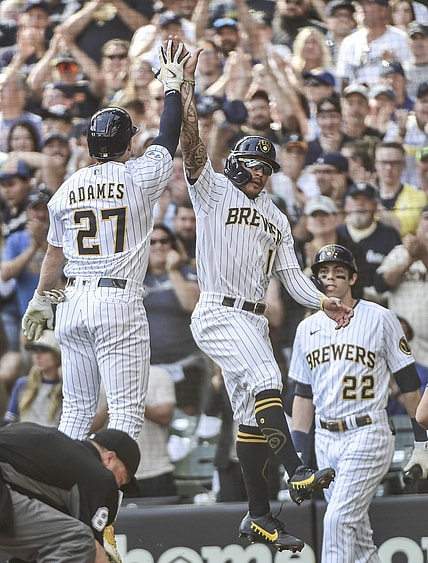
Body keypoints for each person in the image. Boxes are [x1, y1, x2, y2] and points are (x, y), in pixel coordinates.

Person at [178, 45, 354, 553]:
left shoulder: (275, 215)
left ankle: (258, 516)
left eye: (266, 168)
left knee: (254, 419)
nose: (260, 173)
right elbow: (191, 148)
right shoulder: (211, 191)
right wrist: (186, 90)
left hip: (253, 320)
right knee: (267, 379)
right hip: (217, 308)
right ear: (237, 163)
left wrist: (325, 301)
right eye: (254, 165)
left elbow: (295, 279)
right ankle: (298, 471)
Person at [21, 37, 190, 441]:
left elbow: (52, 256)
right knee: (126, 415)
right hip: (117, 300)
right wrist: (171, 86)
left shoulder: (66, 187)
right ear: (129, 142)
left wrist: (41, 299)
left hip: (73, 302)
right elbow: (168, 135)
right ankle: (106, 505)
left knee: (75, 414)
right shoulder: (137, 175)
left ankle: (69, 503)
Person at [289, 243, 427, 562]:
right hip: (325, 438)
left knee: (337, 520)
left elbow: (407, 383)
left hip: (367, 431)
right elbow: (303, 394)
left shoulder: (380, 318)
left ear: (352, 278)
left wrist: (422, 442)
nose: (330, 279)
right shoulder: (306, 328)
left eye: (339, 273)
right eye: (323, 273)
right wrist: (297, 454)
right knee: (359, 538)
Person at [0, 421, 140, 562]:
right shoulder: (99, 476)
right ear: (109, 458)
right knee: (79, 541)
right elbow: (94, 552)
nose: (117, 487)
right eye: (121, 480)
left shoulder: (60, 456)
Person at [2, 329, 61, 426]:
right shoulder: (22, 384)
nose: (37, 356)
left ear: (56, 355)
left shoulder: (65, 389)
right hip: (23, 438)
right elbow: (10, 421)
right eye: (35, 351)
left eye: (43, 351)